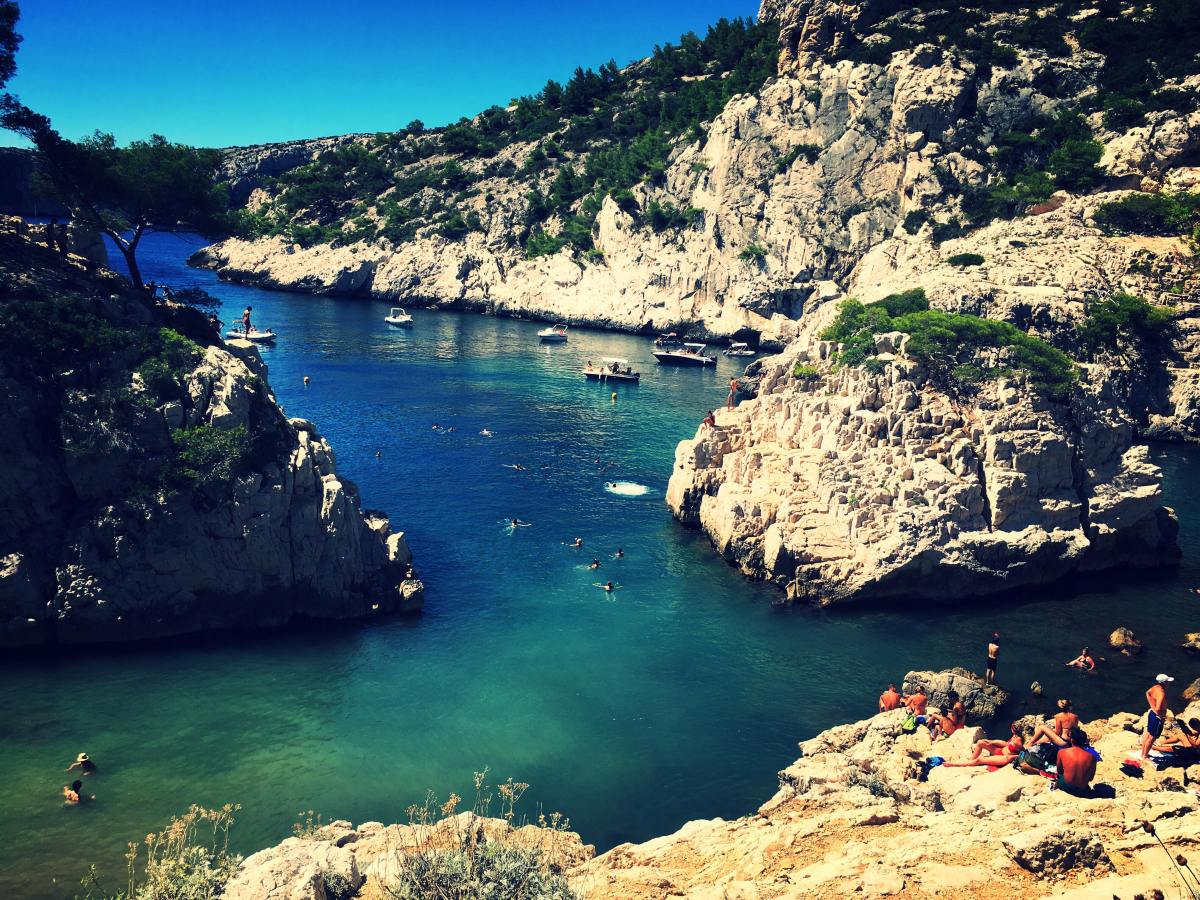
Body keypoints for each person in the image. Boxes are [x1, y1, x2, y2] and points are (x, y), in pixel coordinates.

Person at [944, 722, 1025, 768]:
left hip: (1004, 758)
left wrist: (1013, 757)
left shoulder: (1020, 741)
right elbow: (1006, 744)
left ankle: (954, 764)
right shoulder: (1014, 736)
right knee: (980, 742)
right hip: (1000, 751)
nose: (1011, 730)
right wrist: (991, 742)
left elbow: (1023, 753)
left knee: (980, 760)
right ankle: (970, 761)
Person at [1056, 728, 1098, 797]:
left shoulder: (1062, 752)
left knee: (1060, 777)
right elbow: (1090, 778)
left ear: (1072, 740)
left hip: (1066, 786)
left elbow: (1059, 771)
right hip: (1082, 790)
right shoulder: (1092, 758)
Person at [1140, 674, 1173, 761]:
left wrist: (1152, 706)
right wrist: (1161, 716)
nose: (1169, 683)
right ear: (1164, 683)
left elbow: (1147, 693)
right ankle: (1145, 756)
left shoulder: (1155, 687)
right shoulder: (1161, 692)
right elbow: (1158, 708)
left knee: (1148, 734)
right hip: (1157, 717)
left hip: (1152, 714)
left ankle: (1143, 753)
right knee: (1152, 738)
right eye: (1168, 682)